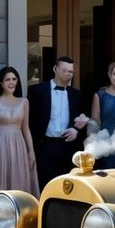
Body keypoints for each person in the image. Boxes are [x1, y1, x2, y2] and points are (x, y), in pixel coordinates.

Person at [28, 56, 90, 187]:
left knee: (67, 186)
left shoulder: (77, 95)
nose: (68, 74)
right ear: (55, 69)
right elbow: (29, 121)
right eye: (65, 70)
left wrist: (76, 129)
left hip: (68, 147)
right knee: (45, 184)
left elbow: (84, 118)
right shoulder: (37, 91)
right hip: (44, 146)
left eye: (71, 72)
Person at [0, 66, 39, 195]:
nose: (11, 82)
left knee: (19, 178)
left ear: (17, 82)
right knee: (0, 178)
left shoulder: (24, 102)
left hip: (19, 147)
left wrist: (31, 151)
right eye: (7, 80)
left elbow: (26, 128)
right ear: (1, 83)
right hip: (0, 145)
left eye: (14, 79)